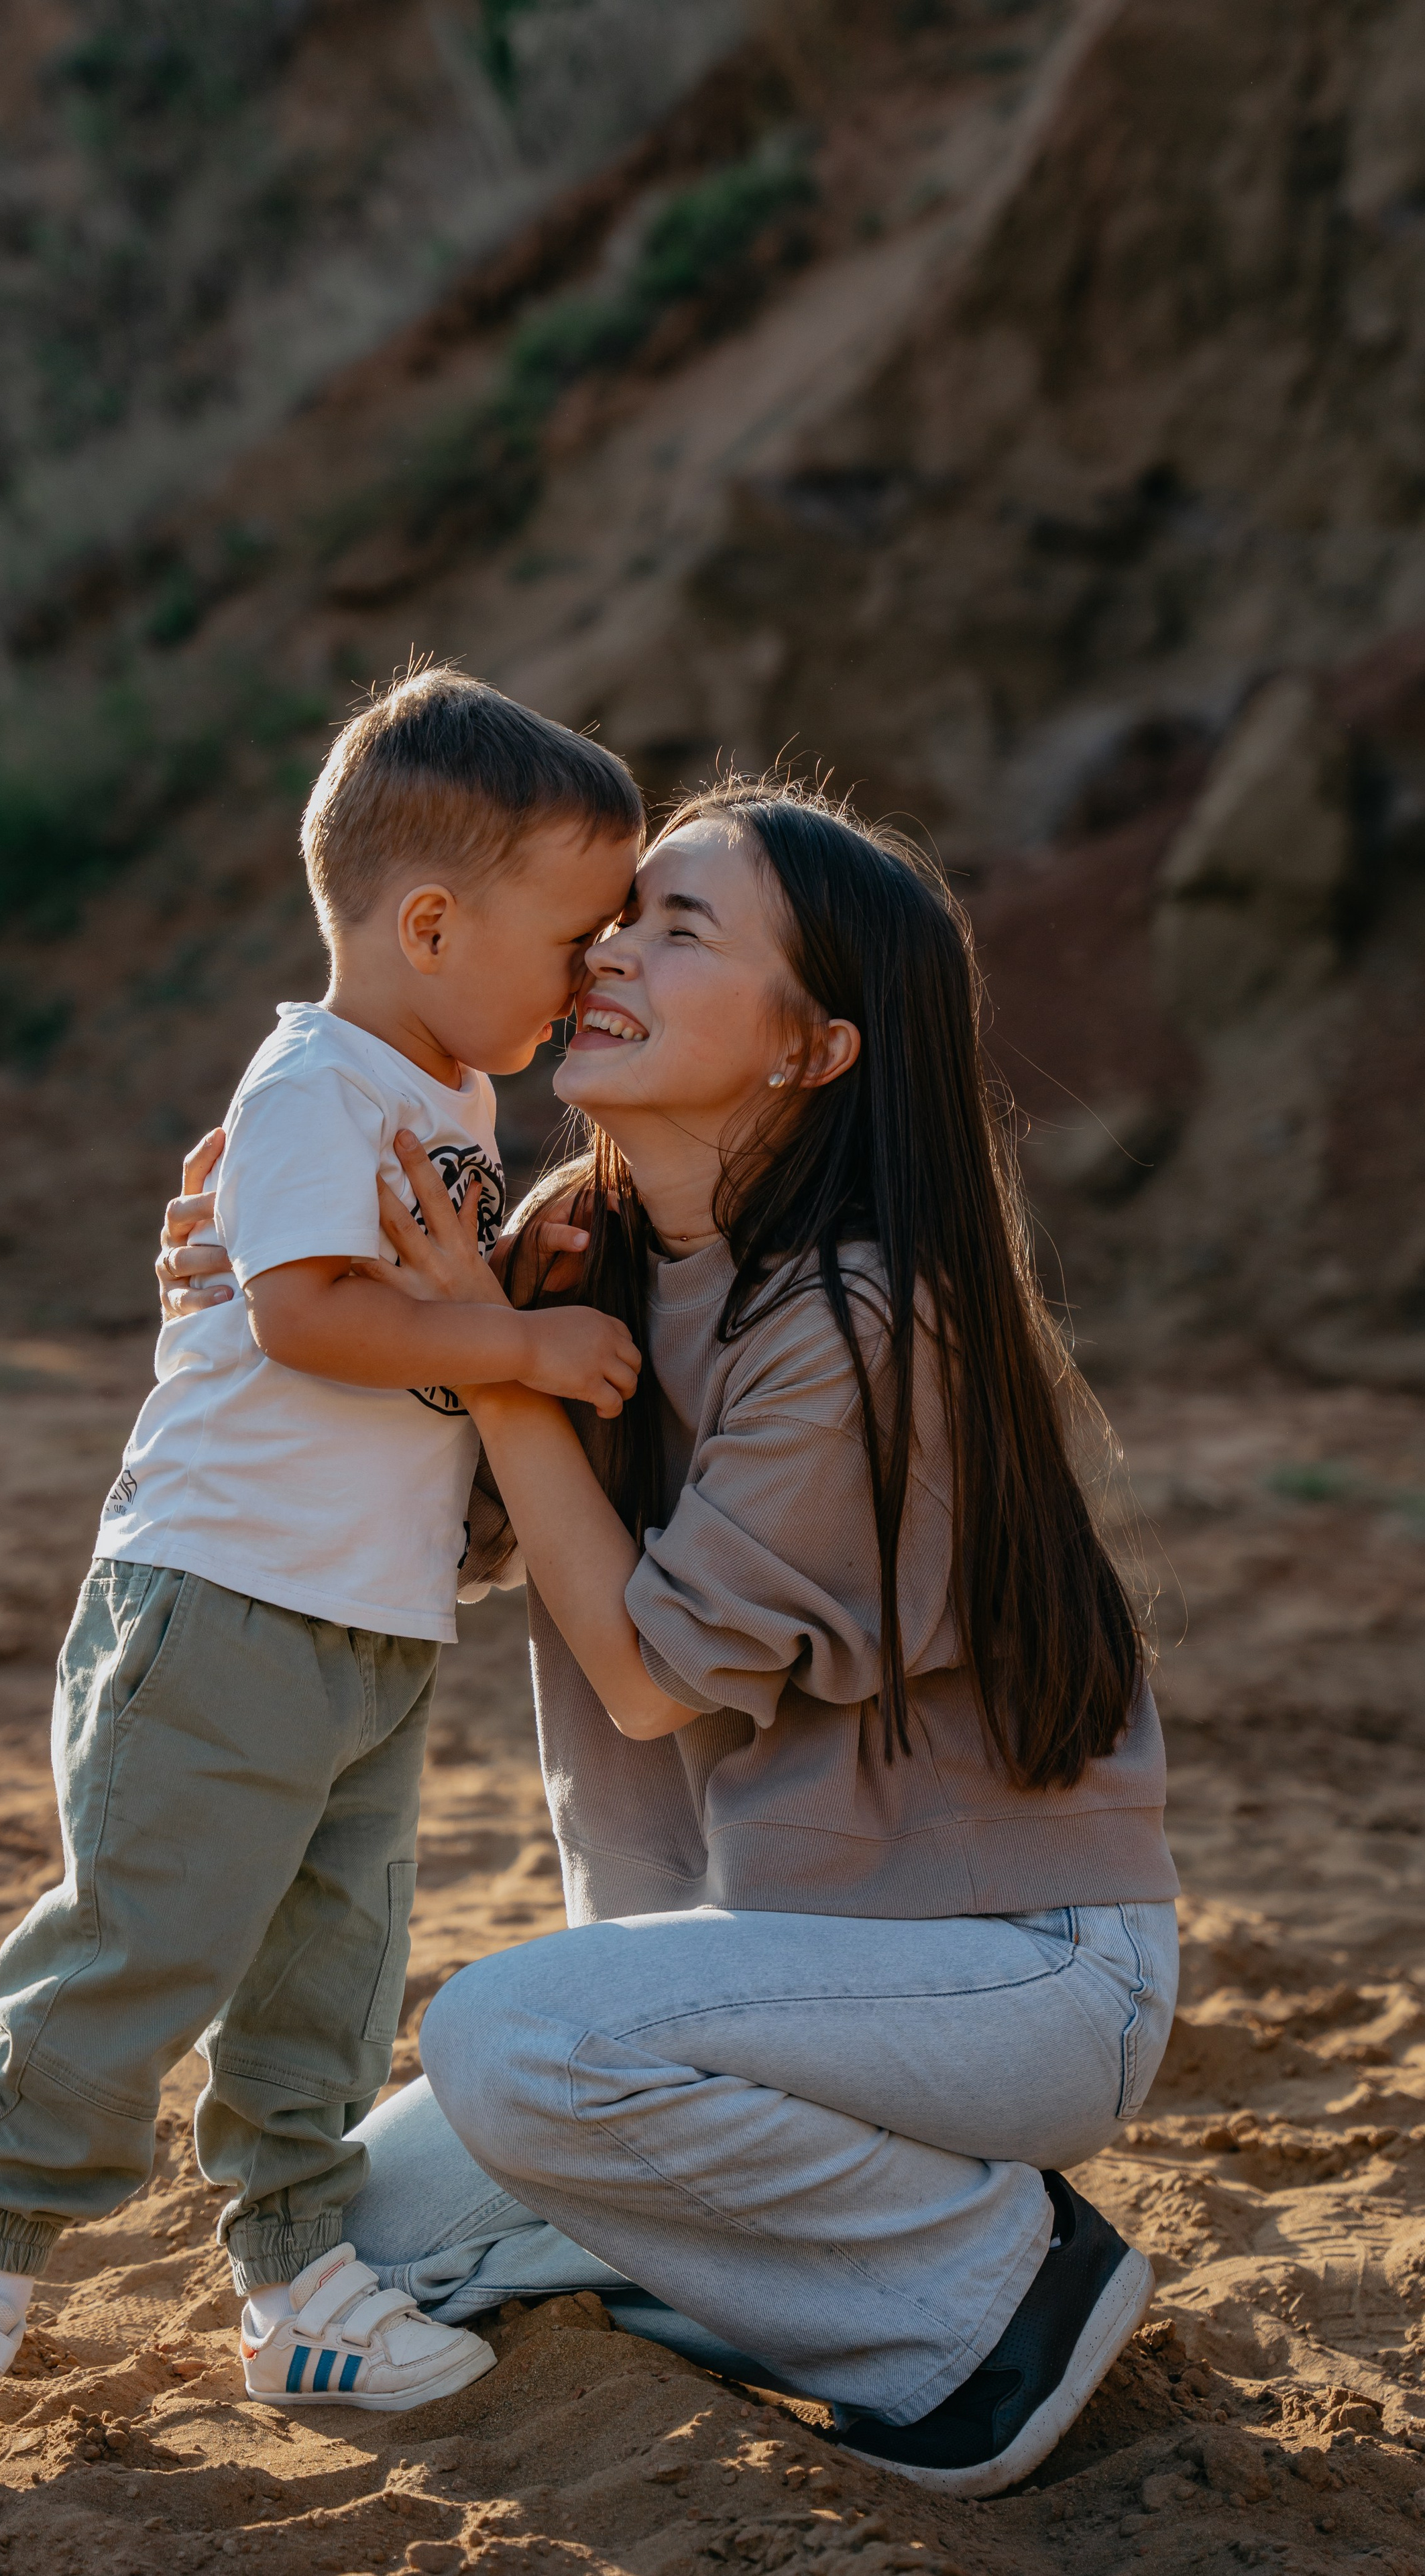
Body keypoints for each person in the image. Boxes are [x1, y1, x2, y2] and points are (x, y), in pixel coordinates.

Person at [160, 779, 1180, 2502]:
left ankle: (990, 2292)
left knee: (508, 2040)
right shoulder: (586, 1248)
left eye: (680, 926)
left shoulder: (864, 1320)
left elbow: (640, 1666)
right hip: (758, 1967)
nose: (610, 947)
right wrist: (280, 1270)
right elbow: (452, 1520)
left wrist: (488, 1350)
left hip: (1010, 1966)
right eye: (618, 915)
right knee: (360, 2241)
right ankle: (780, 2263)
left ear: (812, 1048)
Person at [0, 669, 644, 2496]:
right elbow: (300, 1314)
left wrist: (495, 1316)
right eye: (574, 935)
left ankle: (297, 2281)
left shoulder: (448, 1087)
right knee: (135, 1952)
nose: (591, 976)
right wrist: (514, 1349)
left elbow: (405, 1314)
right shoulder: (314, 1078)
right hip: (222, 1604)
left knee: (332, 1970)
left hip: (366, 1625)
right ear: (430, 922)